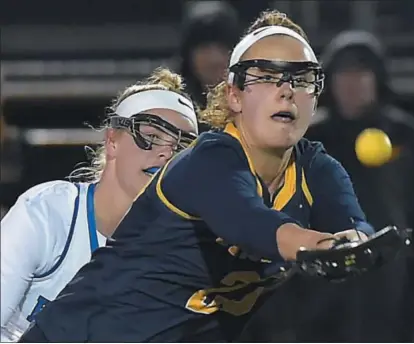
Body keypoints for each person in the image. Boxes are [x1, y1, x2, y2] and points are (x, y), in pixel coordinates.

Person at [19, 10, 375, 343]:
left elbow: (354, 227)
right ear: (234, 95)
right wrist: (316, 246)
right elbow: (251, 223)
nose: (286, 90)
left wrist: (355, 245)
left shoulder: (317, 168)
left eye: (302, 79)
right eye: (266, 77)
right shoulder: (209, 160)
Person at [1, 67, 198, 342]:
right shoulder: (47, 214)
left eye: (182, 147)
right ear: (112, 141)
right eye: (152, 137)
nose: (166, 152)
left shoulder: (185, 249)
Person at [305, 31, 414, 341]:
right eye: (343, 72)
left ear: (377, 79)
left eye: (361, 72)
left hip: (394, 290)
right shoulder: (309, 142)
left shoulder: (410, 138)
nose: (352, 82)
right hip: (323, 296)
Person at [179, 1, 240, 114]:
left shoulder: (252, 104)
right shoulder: (174, 106)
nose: (214, 59)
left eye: (222, 48)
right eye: (205, 49)